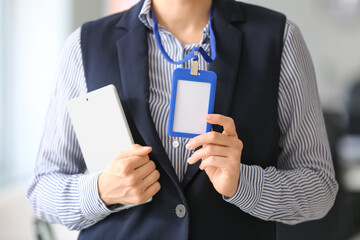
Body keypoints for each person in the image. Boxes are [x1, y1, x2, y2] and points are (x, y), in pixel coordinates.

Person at [27, 0, 339, 239]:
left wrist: (245, 183)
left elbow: (319, 187)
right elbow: (42, 190)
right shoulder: (85, 45)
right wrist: (102, 190)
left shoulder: (279, 39)